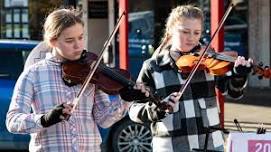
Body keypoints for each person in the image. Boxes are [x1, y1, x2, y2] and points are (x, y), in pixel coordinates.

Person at [6, 8, 149, 152]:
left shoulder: (91, 71)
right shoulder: (33, 74)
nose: (78, 46)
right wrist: (45, 119)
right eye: (69, 40)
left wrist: (125, 100)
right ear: (53, 41)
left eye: (81, 37)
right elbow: (12, 121)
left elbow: (104, 120)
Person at [128, 5, 253, 152]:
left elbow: (234, 93)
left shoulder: (209, 62)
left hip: (210, 146)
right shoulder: (153, 67)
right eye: (185, 31)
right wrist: (158, 108)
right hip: (171, 148)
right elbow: (133, 110)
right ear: (171, 30)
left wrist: (238, 76)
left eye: (197, 33)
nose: (192, 38)